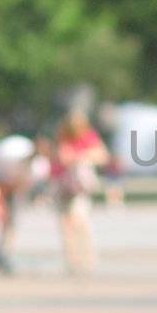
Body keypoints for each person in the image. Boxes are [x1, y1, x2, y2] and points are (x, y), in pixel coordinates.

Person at [50, 112, 108, 274]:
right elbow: (60, 158)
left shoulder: (88, 137)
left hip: (77, 185)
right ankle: (72, 259)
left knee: (79, 220)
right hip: (61, 183)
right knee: (65, 222)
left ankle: (87, 257)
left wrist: (81, 156)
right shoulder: (62, 137)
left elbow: (102, 155)